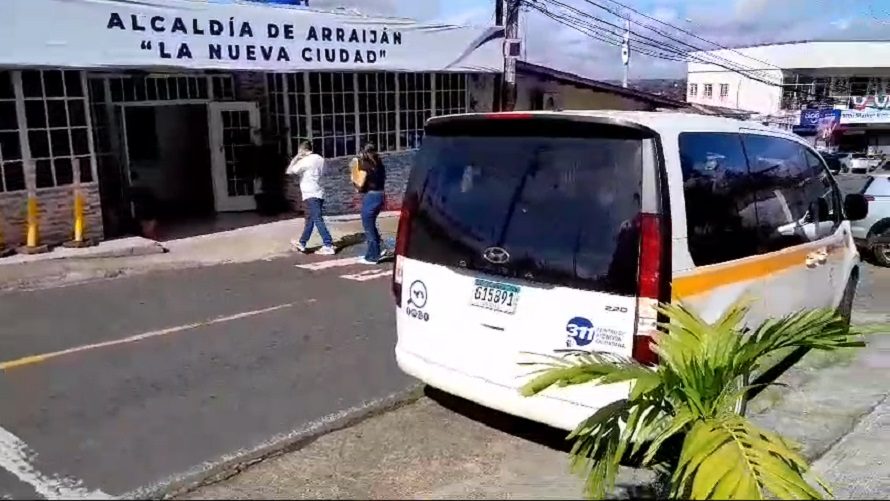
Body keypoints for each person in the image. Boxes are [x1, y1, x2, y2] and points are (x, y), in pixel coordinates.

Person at [287, 141, 336, 255]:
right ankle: (302, 243)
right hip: (319, 192)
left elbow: (289, 171)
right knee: (311, 218)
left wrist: (296, 158)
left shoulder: (305, 161)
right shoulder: (320, 159)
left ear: (303, 150)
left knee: (317, 218)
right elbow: (324, 173)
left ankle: (328, 244)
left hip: (310, 193)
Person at [351, 143, 392, 264]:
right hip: (380, 195)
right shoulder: (378, 163)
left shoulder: (365, 165)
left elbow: (359, 184)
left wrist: (353, 172)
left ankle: (373, 257)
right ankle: (374, 252)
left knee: (369, 228)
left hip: (371, 197)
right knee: (372, 226)